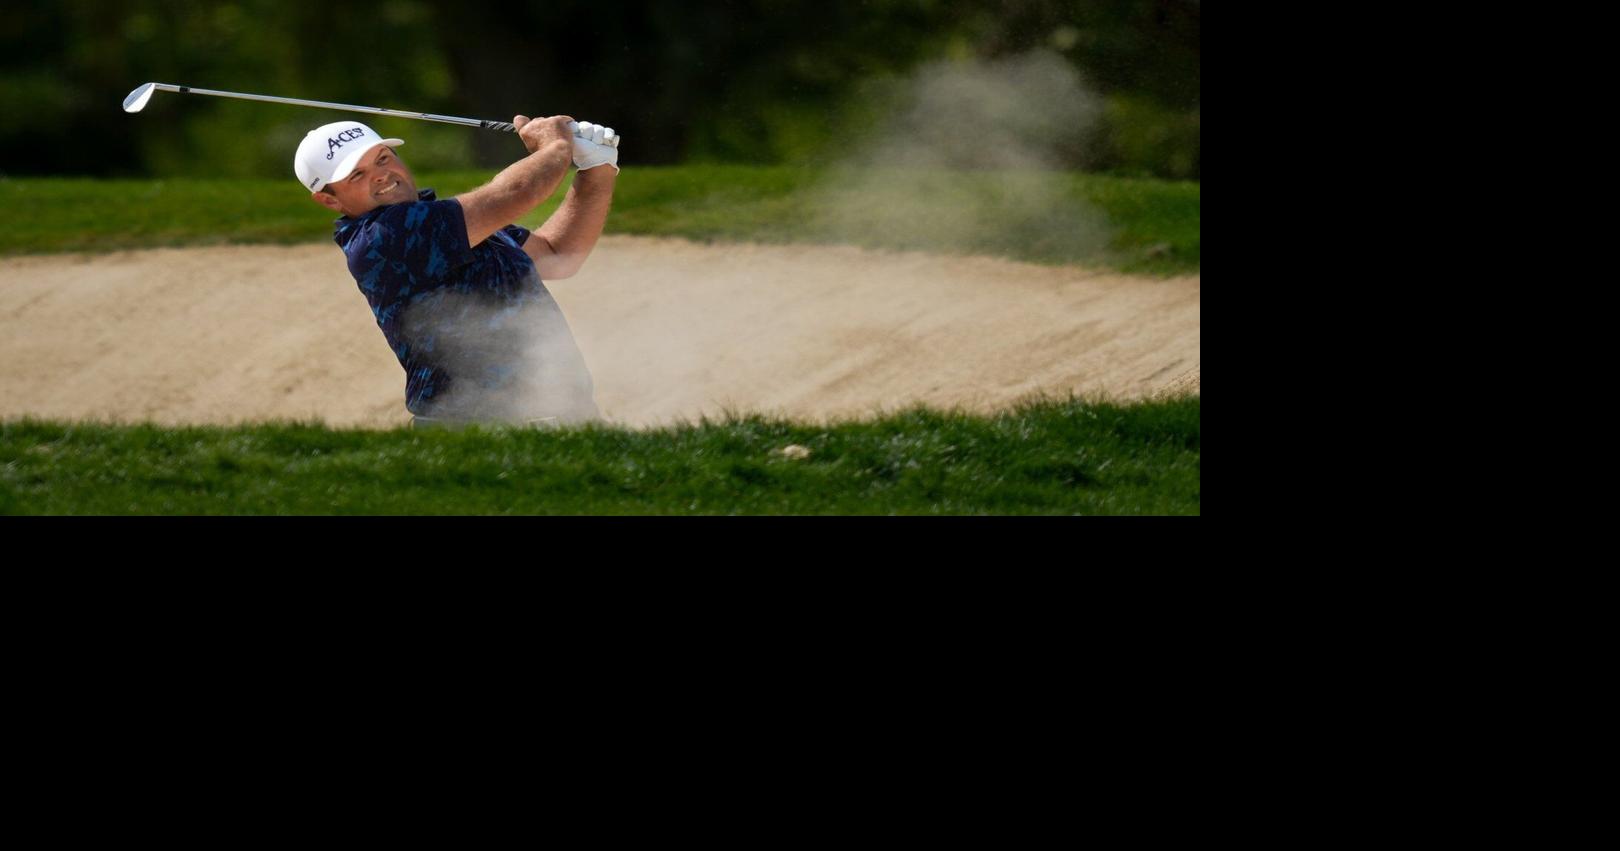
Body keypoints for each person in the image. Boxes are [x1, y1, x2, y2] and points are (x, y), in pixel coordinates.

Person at [293, 114, 619, 428]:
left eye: (383, 158)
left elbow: (558, 254)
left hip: (567, 418)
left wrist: (597, 168)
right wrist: (556, 145)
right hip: (478, 431)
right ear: (329, 200)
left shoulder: (448, 223)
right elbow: (516, 192)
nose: (381, 174)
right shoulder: (384, 238)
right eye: (356, 175)